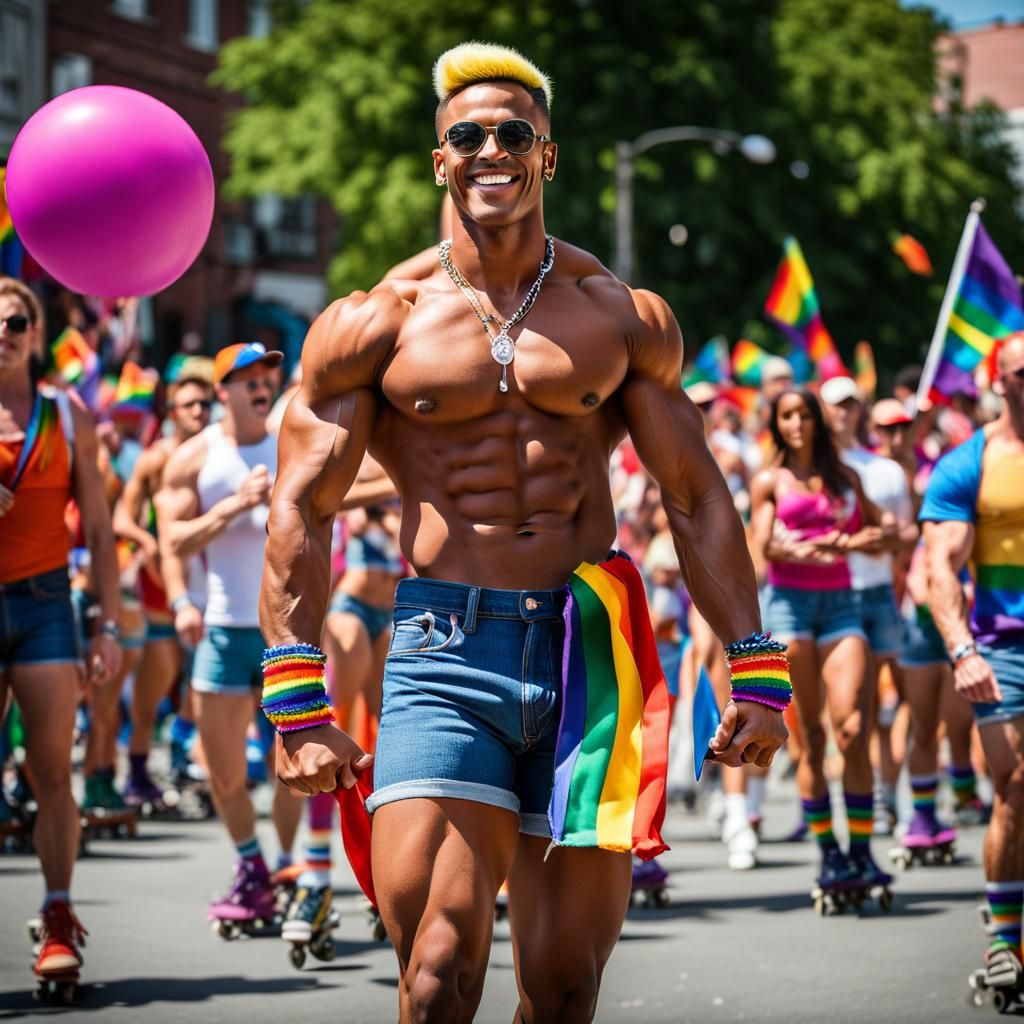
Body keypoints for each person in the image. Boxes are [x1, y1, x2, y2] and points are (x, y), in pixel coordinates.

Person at [259, 42, 787, 1023]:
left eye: (513, 133)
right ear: (439, 160)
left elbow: (696, 493)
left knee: (562, 983)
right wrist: (295, 692)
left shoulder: (618, 315)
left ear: (549, 156)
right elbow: (301, 505)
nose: (489, 148)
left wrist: (752, 666)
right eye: (467, 135)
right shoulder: (373, 324)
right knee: (435, 966)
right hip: (441, 648)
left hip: (587, 647)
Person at [0, 277, 121, 986]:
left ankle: (56, 914)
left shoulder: (67, 413)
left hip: (48, 606)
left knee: (52, 772)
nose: (5, 330)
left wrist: (104, 625)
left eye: (17, 320)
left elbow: (102, 532)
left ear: (36, 332)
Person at [156, 341, 302, 926]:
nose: (260, 383)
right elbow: (173, 542)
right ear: (223, 391)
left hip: (283, 632)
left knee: (293, 763)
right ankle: (251, 868)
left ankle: (288, 866)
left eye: (267, 373)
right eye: (245, 377)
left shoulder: (291, 445)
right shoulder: (192, 459)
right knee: (223, 773)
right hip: (220, 629)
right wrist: (232, 507)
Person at [750, 386, 892, 900]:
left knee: (852, 727)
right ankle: (830, 854)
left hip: (842, 605)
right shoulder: (770, 479)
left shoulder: (844, 478)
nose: (797, 425)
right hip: (790, 607)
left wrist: (858, 540)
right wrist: (797, 546)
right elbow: (762, 544)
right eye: (787, 416)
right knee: (808, 734)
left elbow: (889, 532)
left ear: (817, 421)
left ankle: (860, 850)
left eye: (804, 415)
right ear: (776, 423)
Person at [922, 334, 1024, 991]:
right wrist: (961, 649)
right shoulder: (970, 462)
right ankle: (1003, 941)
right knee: (1015, 787)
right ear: (998, 382)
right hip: (1003, 648)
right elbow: (941, 567)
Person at [112, 360, 214, 805]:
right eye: (189, 404)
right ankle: (136, 772)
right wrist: (145, 544)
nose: (199, 411)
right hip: (160, 587)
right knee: (156, 683)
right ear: (172, 410)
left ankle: (182, 750)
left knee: (202, 683)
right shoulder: (156, 457)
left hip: (211, 584)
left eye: (205, 403)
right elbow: (121, 517)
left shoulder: (219, 451)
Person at [821, 376, 917, 835]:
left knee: (902, 700)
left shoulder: (885, 470)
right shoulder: (808, 472)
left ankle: (889, 791)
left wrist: (887, 538)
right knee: (850, 713)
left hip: (880, 595)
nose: (844, 413)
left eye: (851, 404)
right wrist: (853, 541)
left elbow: (909, 531)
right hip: (832, 598)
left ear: (861, 410)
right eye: (835, 405)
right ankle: (857, 800)